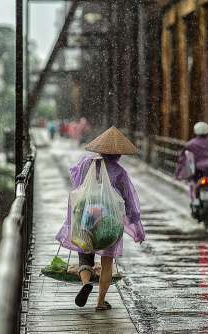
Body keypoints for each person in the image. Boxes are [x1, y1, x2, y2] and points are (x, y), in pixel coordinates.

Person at [55, 126, 145, 311]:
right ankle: (100, 302)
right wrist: (136, 225)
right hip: (109, 221)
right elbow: (129, 201)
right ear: (119, 153)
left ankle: (85, 283)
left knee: (85, 256)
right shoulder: (120, 172)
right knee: (106, 263)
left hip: (86, 217)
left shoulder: (86, 163)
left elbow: (75, 179)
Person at [175, 122, 208, 213]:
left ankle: (195, 201)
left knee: (192, 185)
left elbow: (182, 160)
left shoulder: (190, 144)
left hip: (197, 173)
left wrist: (179, 173)